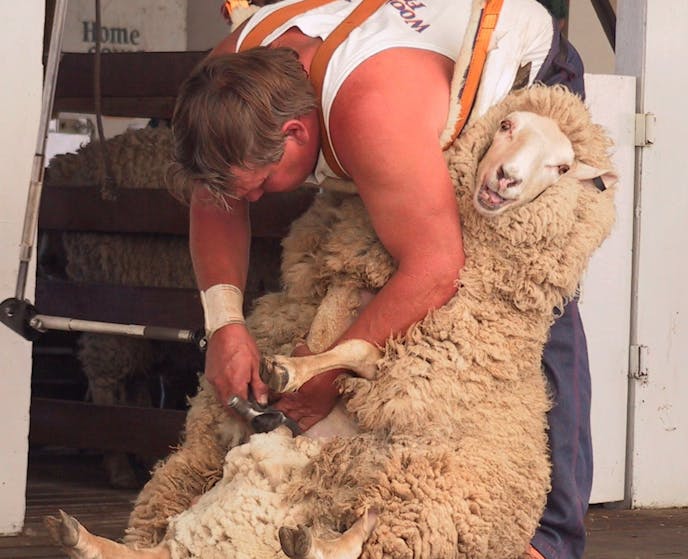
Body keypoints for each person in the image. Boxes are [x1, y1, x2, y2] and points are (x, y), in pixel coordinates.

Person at [169, 1, 591, 557]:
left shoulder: (370, 114)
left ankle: (552, 538)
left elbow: (437, 265)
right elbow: (216, 195)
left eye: (261, 184)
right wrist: (224, 326)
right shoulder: (230, 71)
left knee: (515, 292)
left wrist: (327, 373)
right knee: (366, 271)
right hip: (404, 88)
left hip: (514, 65)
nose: (250, 200)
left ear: (296, 132)